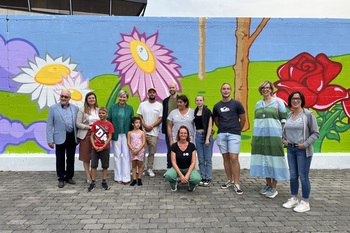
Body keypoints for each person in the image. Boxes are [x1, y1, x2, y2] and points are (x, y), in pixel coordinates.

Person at [250, 81, 289, 198]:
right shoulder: (258, 104)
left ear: (271, 89)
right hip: (260, 137)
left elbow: (284, 120)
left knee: (274, 160)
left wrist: (283, 136)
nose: (265, 90)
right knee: (264, 159)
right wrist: (253, 137)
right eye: (263, 88)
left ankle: (274, 187)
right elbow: (256, 122)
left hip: (274, 136)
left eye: (268, 88)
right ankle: (267, 184)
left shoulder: (278, 102)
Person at [282, 91, 319, 213]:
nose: (295, 101)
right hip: (291, 150)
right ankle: (294, 198)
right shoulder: (289, 115)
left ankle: (305, 202)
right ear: (290, 101)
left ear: (302, 100)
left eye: (298, 98)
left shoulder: (308, 115)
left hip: (303, 150)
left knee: (303, 176)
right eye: (293, 99)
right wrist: (284, 140)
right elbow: (284, 131)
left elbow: (315, 133)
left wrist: (305, 144)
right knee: (293, 175)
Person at [213, 83, 246, 195]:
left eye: (228, 89)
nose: (226, 91)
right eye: (224, 89)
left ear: (230, 91)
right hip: (222, 134)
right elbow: (216, 121)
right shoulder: (217, 106)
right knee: (226, 157)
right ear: (220, 90)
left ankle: (236, 183)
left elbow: (243, 119)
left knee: (234, 157)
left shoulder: (237, 104)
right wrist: (223, 128)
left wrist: (237, 130)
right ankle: (229, 180)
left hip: (234, 134)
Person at [46, 89, 79, 188]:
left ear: (70, 98)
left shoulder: (75, 108)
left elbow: (77, 123)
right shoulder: (53, 108)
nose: (63, 98)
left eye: (66, 97)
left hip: (71, 136)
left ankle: (69, 176)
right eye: (62, 96)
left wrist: (78, 137)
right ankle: (61, 178)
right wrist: (50, 140)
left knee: (70, 157)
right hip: (59, 137)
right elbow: (49, 125)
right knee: (60, 158)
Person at [108, 90, 134, 184]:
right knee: (117, 155)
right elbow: (109, 119)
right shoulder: (112, 107)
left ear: (127, 98)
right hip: (116, 134)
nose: (122, 99)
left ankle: (126, 177)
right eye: (120, 97)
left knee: (126, 155)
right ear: (118, 97)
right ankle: (118, 177)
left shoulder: (130, 108)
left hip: (126, 134)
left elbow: (132, 121)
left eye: (124, 97)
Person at [164, 125, 201, 192]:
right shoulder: (174, 146)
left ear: (187, 135)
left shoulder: (192, 146)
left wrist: (187, 175)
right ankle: (174, 184)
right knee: (169, 175)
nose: (183, 135)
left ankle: (191, 185)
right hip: (177, 168)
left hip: (188, 168)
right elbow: (173, 162)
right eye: (181, 133)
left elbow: (193, 162)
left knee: (196, 179)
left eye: (185, 133)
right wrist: (181, 175)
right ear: (178, 134)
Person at [137, 87, 163, 177]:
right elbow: (139, 115)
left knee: (152, 152)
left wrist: (151, 126)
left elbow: (161, 118)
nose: (152, 94)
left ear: (156, 94)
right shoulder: (142, 104)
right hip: (143, 132)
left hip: (154, 133)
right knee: (142, 152)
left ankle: (149, 168)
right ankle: (142, 169)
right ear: (148, 94)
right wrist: (144, 125)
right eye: (150, 92)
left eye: (153, 92)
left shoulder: (159, 105)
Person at [88, 107, 114, 192]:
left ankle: (104, 181)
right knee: (94, 165)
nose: (101, 115)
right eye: (100, 113)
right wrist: (94, 146)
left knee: (105, 165)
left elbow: (110, 137)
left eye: (103, 113)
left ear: (106, 114)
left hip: (105, 148)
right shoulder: (95, 124)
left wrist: (103, 146)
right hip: (95, 148)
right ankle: (93, 181)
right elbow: (92, 136)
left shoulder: (109, 124)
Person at [76, 92, 99, 184]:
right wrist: (89, 127)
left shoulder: (98, 110)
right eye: (89, 98)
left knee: (95, 155)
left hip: (97, 134)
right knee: (86, 156)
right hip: (86, 134)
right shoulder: (82, 110)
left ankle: (93, 176)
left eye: (93, 98)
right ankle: (88, 176)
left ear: (95, 99)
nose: (92, 99)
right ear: (86, 100)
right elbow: (78, 123)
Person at [194, 95, 214, 187]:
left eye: (200, 100)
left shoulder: (208, 112)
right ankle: (203, 176)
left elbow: (210, 126)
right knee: (201, 158)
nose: (199, 102)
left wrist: (207, 138)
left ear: (204, 101)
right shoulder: (195, 111)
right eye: (197, 100)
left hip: (206, 136)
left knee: (207, 158)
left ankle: (208, 177)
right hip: (198, 136)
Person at [162, 83, 179, 171]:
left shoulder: (180, 99)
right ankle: (169, 168)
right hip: (168, 129)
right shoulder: (165, 101)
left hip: (179, 129)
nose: (171, 89)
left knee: (179, 148)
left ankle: (179, 168)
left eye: (173, 87)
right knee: (169, 149)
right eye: (170, 87)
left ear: (176, 88)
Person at [127, 117, 146, 186]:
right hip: (132, 151)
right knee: (134, 165)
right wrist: (132, 149)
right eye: (136, 123)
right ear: (132, 124)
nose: (138, 124)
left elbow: (143, 142)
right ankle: (134, 179)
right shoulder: (130, 133)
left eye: (139, 123)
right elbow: (128, 142)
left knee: (140, 165)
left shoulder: (142, 132)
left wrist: (138, 149)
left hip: (140, 150)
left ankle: (139, 179)